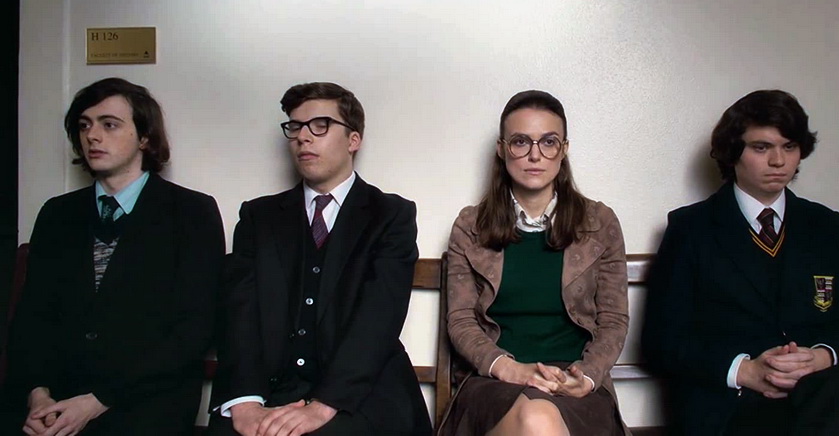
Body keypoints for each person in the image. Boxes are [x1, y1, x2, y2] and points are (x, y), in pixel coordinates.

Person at [643, 89, 839, 435]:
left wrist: (820, 357)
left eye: (789, 147)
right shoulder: (691, 228)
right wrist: (745, 370)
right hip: (732, 405)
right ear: (732, 152)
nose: (778, 161)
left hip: (821, 396)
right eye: (761, 148)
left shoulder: (826, 225)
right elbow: (662, 340)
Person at [4, 77, 225, 435]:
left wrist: (97, 401)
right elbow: (32, 318)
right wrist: (38, 395)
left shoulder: (191, 212)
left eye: (109, 125)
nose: (92, 136)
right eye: (84, 125)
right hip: (58, 398)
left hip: (148, 404)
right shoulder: (57, 213)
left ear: (144, 137)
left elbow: (193, 330)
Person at [208, 82, 430, 435]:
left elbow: (379, 318)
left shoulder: (390, 215)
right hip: (270, 388)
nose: (303, 137)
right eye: (295, 126)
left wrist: (324, 404)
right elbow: (239, 313)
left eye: (320, 125)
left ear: (353, 139)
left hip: (361, 392)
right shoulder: (258, 216)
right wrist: (245, 401)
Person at [438, 90, 630, 435]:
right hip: (494, 381)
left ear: (564, 150)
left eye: (549, 142)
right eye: (520, 142)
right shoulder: (470, 226)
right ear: (502, 149)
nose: (535, 155)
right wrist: (508, 368)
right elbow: (461, 320)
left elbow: (614, 320)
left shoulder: (600, 223)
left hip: (575, 383)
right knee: (537, 420)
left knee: (539, 419)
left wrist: (587, 376)